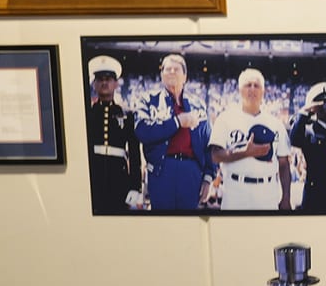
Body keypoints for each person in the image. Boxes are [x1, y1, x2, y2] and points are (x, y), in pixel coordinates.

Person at [133, 52, 209, 211]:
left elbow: (209, 143)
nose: (172, 72)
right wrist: (177, 122)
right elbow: (142, 131)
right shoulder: (148, 100)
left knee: (189, 225)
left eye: (176, 69)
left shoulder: (198, 105)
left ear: (185, 77)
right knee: (162, 224)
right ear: (161, 75)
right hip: (162, 169)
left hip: (191, 171)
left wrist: (208, 178)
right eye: (167, 69)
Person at [210, 68, 294, 212]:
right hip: (235, 191)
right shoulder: (225, 119)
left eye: (257, 86)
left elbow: (284, 164)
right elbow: (215, 155)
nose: (252, 89)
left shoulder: (275, 123)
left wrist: (286, 198)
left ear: (263, 92)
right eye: (248, 85)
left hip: (267, 193)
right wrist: (246, 152)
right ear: (239, 90)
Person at [84, 55, 143, 213]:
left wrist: (135, 186)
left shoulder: (126, 114)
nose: (104, 83)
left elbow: (134, 153)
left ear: (116, 83)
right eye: (100, 79)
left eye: (109, 79)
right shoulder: (87, 114)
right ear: (94, 84)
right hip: (93, 177)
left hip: (119, 179)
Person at [287, 81, 326, 214]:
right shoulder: (309, 131)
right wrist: (305, 111)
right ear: (315, 108)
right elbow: (294, 139)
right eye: (325, 105)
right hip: (316, 197)